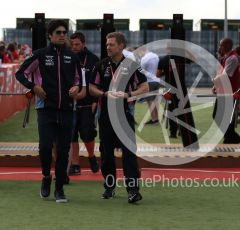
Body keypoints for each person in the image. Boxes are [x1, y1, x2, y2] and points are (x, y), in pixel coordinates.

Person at [15, 20, 86, 203]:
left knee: (63, 150)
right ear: (50, 35)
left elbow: (79, 80)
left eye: (64, 32)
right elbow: (20, 73)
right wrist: (33, 87)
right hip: (46, 108)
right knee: (45, 147)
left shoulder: (72, 57)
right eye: (58, 32)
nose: (62, 35)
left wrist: (76, 88)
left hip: (68, 109)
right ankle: (46, 177)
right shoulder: (39, 55)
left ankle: (60, 189)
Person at [89, 32, 148, 203]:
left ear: (121, 46)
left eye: (111, 44)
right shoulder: (101, 66)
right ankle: (110, 187)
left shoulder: (132, 65)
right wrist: (104, 93)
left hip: (125, 115)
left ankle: (133, 190)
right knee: (106, 154)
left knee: (129, 153)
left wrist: (128, 94)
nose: (108, 47)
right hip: (105, 115)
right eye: (107, 44)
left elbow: (144, 87)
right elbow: (92, 87)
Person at [69, 32, 100, 175]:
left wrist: (95, 100)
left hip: (88, 103)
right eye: (72, 44)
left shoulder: (93, 59)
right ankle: (75, 164)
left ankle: (91, 156)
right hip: (69, 104)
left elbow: (97, 83)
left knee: (87, 134)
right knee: (71, 135)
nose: (74, 47)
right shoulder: (67, 58)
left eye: (77, 44)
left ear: (83, 44)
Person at [212, 38, 240, 144]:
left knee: (219, 116)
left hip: (229, 92)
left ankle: (233, 138)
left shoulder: (232, 58)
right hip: (224, 91)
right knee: (219, 116)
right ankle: (230, 138)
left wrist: (215, 82)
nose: (220, 48)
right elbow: (221, 73)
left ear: (228, 45)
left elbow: (225, 76)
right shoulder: (227, 57)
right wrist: (215, 86)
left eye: (222, 45)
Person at [138, 47, 160, 125]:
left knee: (150, 101)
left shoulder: (144, 58)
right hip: (156, 80)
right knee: (154, 101)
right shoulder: (156, 56)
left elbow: (141, 70)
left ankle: (154, 120)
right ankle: (156, 119)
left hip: (149, 82)